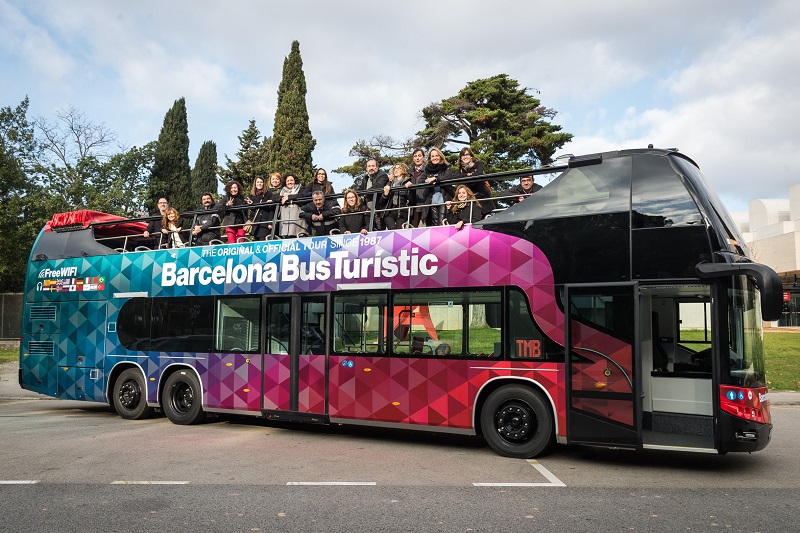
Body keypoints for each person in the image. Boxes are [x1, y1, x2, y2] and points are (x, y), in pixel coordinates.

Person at [450, 147, 494, 217]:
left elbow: (479, 174)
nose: (465, 157)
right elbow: (453, 177)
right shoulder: (461, 170)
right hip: (471, 201)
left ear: (471, 156)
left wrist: (466, 177)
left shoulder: (478, 164)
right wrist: (466, 175)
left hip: (482, 198)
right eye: (463, 155)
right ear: (461, 158)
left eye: (467, 154)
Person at [416, 147, 452, 227]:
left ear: (440, 156)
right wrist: (427, 181)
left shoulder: (446, 166)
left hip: (444, 199)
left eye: (437, 156)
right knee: (434, 224)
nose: (435, 158)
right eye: (432, 156)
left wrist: (436, 179)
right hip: (432, 200)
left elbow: (448, 177)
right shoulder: (427, 169)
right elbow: (420, 180)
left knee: (442, 222)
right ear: (430, 158)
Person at [377, 162, 413, 230]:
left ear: (403, 170)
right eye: (394, 168)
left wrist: (410, 189)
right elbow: (381, 202)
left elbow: (411, 199)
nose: (395, 170)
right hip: (389, 211)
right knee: (392, 229)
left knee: (400, 230)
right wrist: (385, 195)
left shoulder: (408, 181)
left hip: (402, 211)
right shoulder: (389, 182)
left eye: (398, 168)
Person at [358, 158, 389, 227]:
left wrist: (365, 193)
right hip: (368, 210)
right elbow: (359, 189)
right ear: (366, 168)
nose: (371, 168)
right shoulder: (365, 178)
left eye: (373, 166)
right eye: (369, 166)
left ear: (377, 167)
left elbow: (378, 186)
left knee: (380, 231)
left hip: (379, 209)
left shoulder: (382, 175)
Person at [278, 173, 307, 238]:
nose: (289, 182)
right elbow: (274, 197)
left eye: (291, 180)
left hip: (298, 222)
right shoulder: (282, 191)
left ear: (295, 181)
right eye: (287, 181)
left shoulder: (301, 189)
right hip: (285, 224)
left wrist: (289, 197)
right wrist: (282, 198)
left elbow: (303, 195)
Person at [249, 175, 277, 241]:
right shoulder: (252, 195)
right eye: (257, 182)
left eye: (261, 182)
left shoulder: (269, 194)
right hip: (256, 224)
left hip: (265, 222)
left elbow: (272, 209)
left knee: (264, 241)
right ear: (255, 184)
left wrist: (270, 222)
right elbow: (252, 209)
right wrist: (250, 204)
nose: (259, 184)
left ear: (263, 184)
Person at [407, 148, 426, 227]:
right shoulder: (409, 171)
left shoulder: (428, 169)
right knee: (412, 228)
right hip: (412, 203)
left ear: (423, 157)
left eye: (419, 156)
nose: (417, 158)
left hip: (424, 201)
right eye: (415, 156)